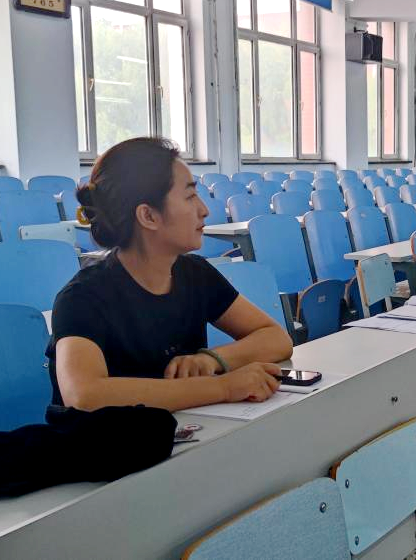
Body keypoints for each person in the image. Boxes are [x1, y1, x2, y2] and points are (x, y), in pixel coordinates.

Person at [49, 137, 294, 412]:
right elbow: (83, 395)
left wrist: (211, 359)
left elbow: (276, 338)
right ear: (148, 216)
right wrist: (222, 387)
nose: (204, 210)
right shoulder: (83, 298)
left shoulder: (195, 274)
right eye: (189, 197)